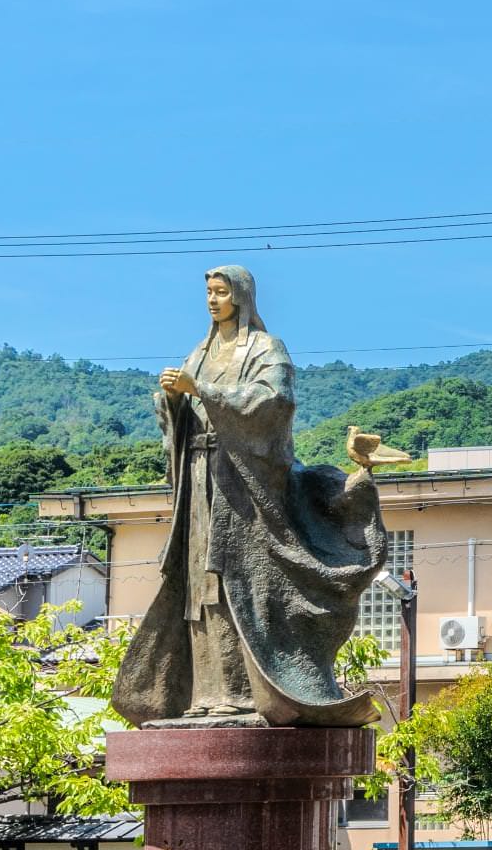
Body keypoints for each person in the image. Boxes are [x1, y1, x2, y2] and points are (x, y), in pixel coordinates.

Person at [112, 264, 392, 726]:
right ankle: (204, 694)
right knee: (199, 584)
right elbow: (181, 416)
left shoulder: (266, 348)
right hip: (199, 477)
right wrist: (175, 400)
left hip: (243, 482)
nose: (213, 300)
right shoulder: (199, 352)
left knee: (236, 579)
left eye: (221, 292)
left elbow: (273, 402)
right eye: (208, 292)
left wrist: (199, 388)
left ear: (241, 296)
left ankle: (241, 693)